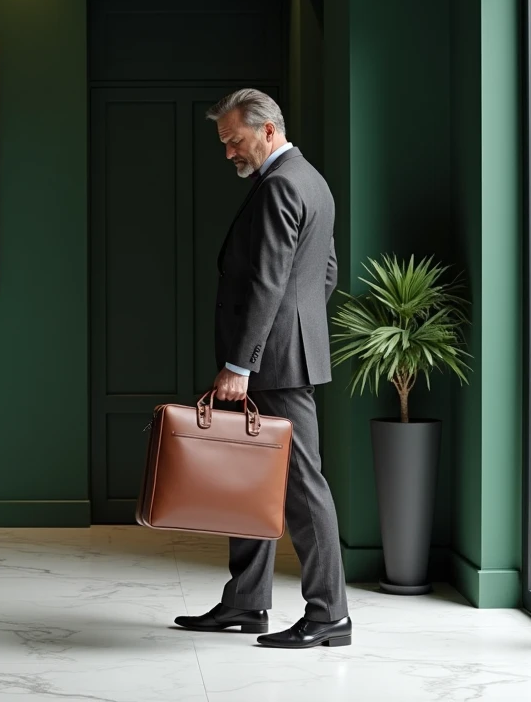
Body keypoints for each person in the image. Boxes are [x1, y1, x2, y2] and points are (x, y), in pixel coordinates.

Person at [173, 89, 351, 649]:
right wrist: (297, 333)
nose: (228, 151)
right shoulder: (310, 180)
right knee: (248, 479)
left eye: (234, 139)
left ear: (268, 130)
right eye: (223, 141)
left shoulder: (278, 187)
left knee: (302, 488)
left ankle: (330, 616)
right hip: (284, 355)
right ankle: (246, 604)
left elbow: (269, 282)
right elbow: (325, 273)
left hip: (269, 364)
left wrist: (241, 363)